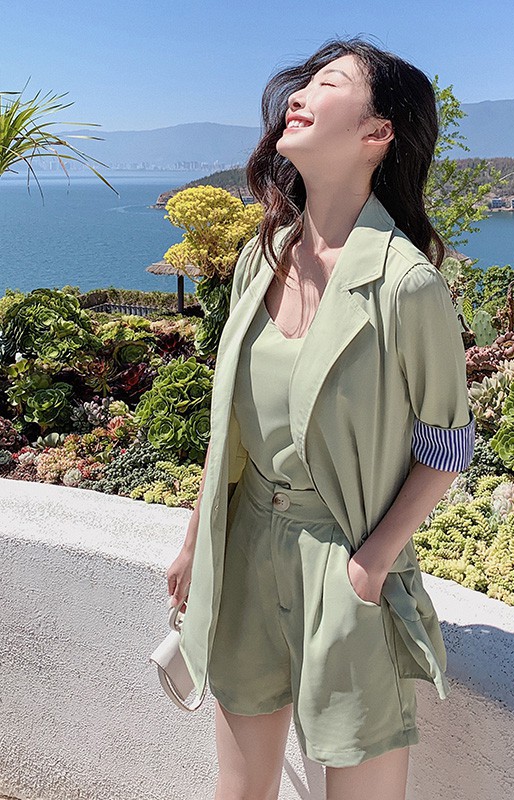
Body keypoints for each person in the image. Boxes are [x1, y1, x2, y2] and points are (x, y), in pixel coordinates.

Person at [167, 36, 475, 800]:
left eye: (329, 84)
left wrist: (370, 567)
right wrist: (196, 541)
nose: (299, 96)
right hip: (246, 552)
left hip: (346, 559)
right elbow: (231, 426)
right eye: (301, 85)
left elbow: (447, 444)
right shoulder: (261, 256)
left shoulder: (406, 284)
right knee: (239, 790)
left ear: (378, 133)